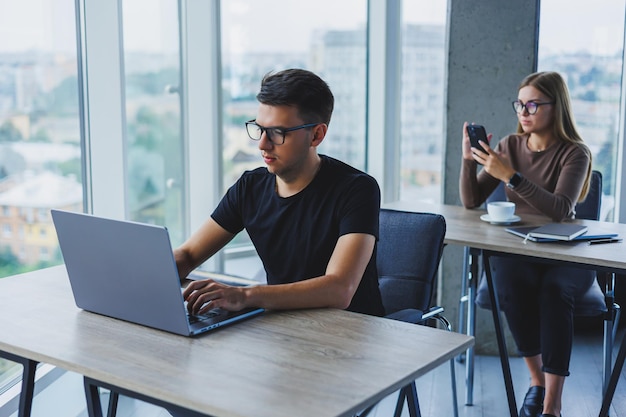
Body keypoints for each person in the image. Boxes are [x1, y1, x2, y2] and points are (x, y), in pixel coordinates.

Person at [176, 68, 384, 320]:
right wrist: (140, 273)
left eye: (278, 132)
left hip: (350, 336)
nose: (262, 143)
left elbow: (339, 289)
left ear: (316, 134)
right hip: (281, 327)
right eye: (259, 129)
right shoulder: (249, 187)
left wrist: (244, 295)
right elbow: (188, 255)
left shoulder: (357, 190)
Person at [459, 71, 593, 417]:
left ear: (556, 107)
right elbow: (472, 201)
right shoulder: (509, 146)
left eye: (533, 103)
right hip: (520, 249)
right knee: (508, 284)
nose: (524, 110)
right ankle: (537, 381)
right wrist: (467, 161)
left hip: (566, 253)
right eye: (520, 103)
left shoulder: (574, 153)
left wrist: (512, 177)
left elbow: (562, 209)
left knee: (554, 292)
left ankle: (552, 405)